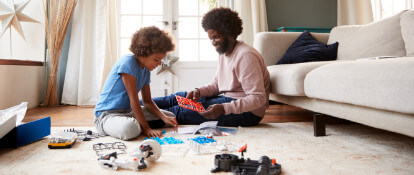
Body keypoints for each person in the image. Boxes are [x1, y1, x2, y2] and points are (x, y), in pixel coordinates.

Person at [151, 7, 270, 127]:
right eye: (210, 38)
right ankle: (134, 107)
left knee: (178, 111)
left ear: (230, 34)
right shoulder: (225, 52)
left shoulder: (246, 56)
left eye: (216, 37)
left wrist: (224, 108)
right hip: (229, 101)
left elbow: (258, 98)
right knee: (174, 99)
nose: (213, 42)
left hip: (249, 113)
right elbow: (217, 84)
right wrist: (199, 91)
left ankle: (136, 118)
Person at [94, 26, 178, 140]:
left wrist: (163, 118)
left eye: (161, 60)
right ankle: (132, 126)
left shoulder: (146, 69)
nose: (159, 64)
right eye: (156, 59)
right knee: (130, 128)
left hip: (127, 112)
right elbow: (134, 100)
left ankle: (136, 125)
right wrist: (147, 129)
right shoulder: (128, 63)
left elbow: (147, 101)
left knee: (170, 117)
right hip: (107, 115)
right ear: (144, 53)